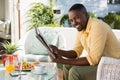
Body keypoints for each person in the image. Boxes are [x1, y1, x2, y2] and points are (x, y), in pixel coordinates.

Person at [49, 4, 120, 80]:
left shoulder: (97, 27)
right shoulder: (82, 29)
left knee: (75, 71)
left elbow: (93, 59)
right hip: (99, 62)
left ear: (86, 15)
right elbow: (76, 52)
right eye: (71, 20)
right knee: (66, 66)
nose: (74, 23)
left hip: (112, 65)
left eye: (77, 18)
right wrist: (58, 51)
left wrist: (62, 60)